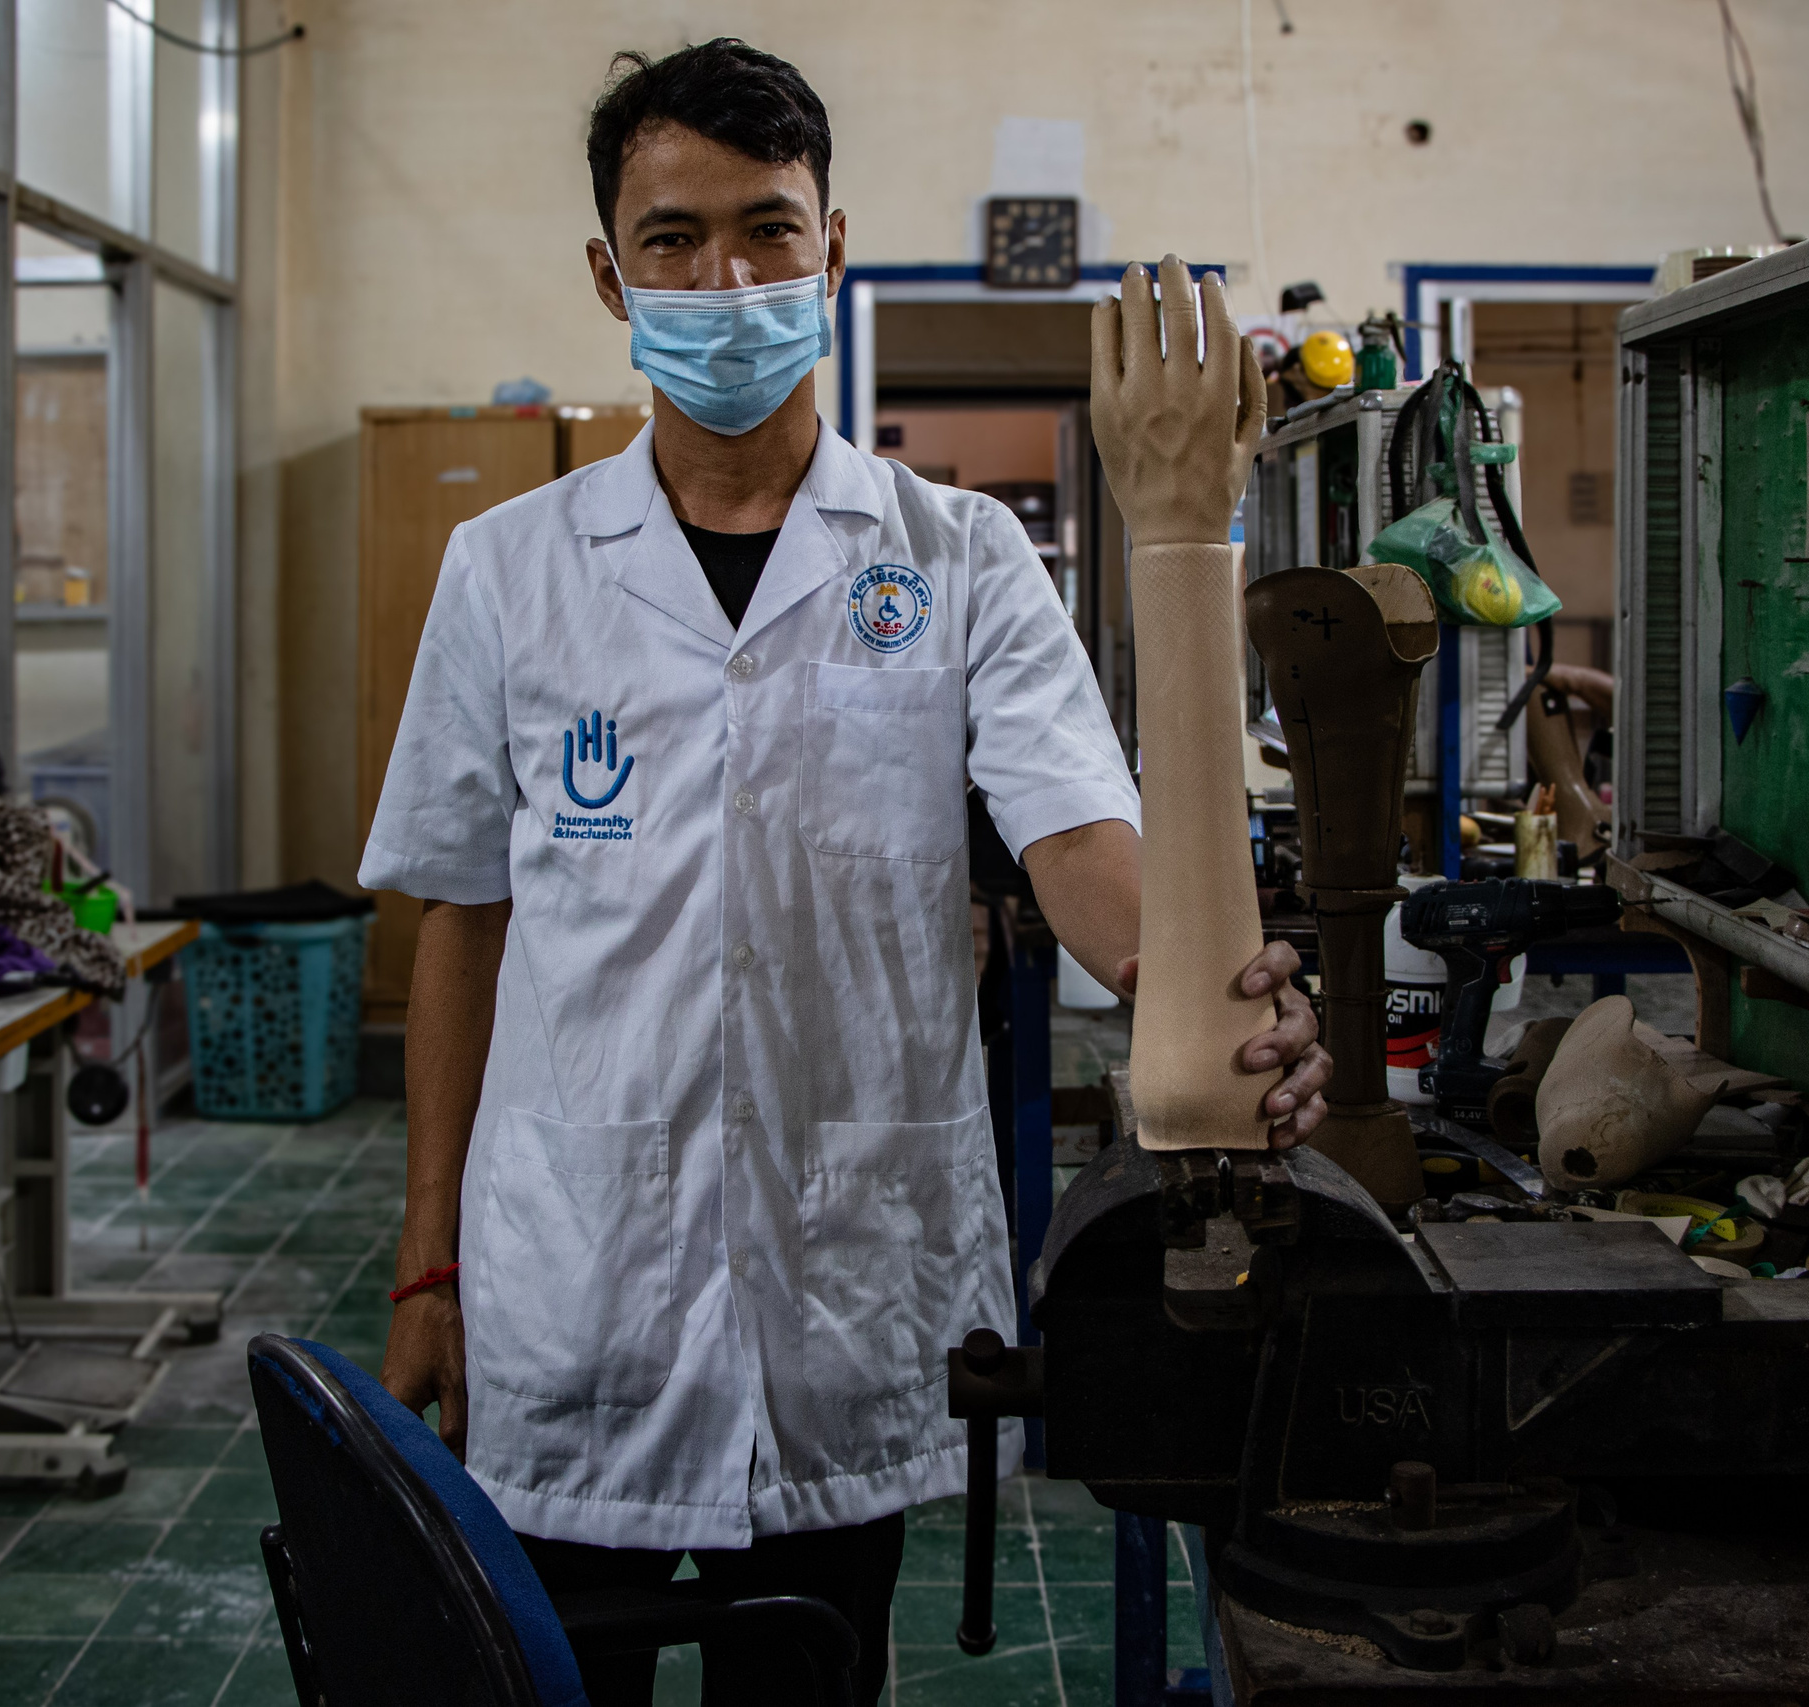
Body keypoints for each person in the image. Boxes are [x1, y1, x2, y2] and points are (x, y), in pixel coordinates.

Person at [359, 38, 1331, 1707]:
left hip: (841, 1285)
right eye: (672, 241)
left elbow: (1087, 856)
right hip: (572, 1285)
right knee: (548, 1676)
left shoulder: (957, 563)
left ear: (832, 251)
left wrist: (1208, 994)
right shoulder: (507, 573)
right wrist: (429, 1264)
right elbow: (464, 912)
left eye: (766, 231)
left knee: (806, 1677)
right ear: (611, 273)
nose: (723, 278)